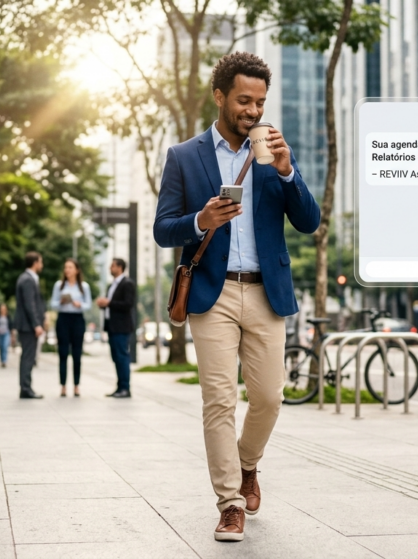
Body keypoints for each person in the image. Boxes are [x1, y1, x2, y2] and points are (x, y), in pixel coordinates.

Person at [152, 52, 319, 542]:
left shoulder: (271, 151)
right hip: (213, 291)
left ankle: (248, 465)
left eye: (260, 102)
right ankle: (229, 503)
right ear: (220, 96)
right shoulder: (184, 156)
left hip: (267, 291)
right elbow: (163, 229)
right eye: (244, 100)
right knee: (219, 400)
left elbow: (309, 221)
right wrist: (200, 220)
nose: (253, 110)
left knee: (268, 397)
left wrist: (287, 172)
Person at [50, 258, 92, 397]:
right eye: (66, 267)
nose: (67, 270)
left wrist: (80, 304)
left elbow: (88, 305)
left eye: (70, 267)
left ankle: (76, 385)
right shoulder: (59, 285)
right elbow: (53, 303)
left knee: (77, 354)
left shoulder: (84, 286)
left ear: (77, 270)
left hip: (77, 319)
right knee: (63, 353)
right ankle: (63, 385)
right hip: (63, 319)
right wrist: (60, 302)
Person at [95, 258, 136, 398]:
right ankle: (119, 387)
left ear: (120, 267)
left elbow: (128, 304)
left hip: (122, 327)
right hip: (111, 326)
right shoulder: (111, 285)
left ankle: (125, 388)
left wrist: (109, 303)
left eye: (112, 266)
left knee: (122, 357)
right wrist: (103, 304)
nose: (110, 268)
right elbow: (111, 305)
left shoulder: (127, 284)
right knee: (116, 358)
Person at [14, 251, 45, 399]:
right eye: (41, 262)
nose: (42, 265)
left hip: (26, 325)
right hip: (27, 326)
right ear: (35, 263)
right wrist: (36, 324)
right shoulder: (28, 279)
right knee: (28, 357)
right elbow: (29, 304)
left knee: (27, 356)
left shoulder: (27, 278)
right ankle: (25, 388)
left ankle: (26, 387)